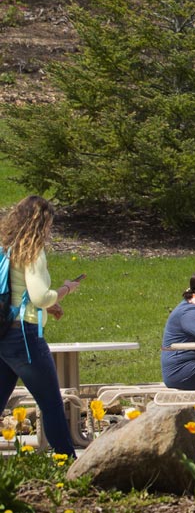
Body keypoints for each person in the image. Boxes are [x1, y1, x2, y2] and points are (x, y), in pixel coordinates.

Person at [0, 196, 81, 457]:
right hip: (25, 336)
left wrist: (48, 304)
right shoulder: (32, 251)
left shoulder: (6, 248)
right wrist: (64, 290)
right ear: (42, 222)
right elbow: (38, 297)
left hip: (3, 333)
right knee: (51, 403)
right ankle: (67, 462)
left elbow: (16, 292)